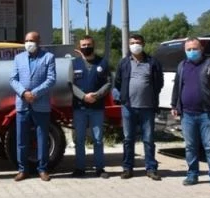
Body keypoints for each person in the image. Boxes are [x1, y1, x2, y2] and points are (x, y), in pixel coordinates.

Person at [171, 37, 210, 188]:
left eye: (194, 49)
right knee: (190, 146)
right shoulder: (182, 65)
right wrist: (174, 105)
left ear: (201, 49)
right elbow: (177, 86)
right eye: (188, 49)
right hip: (187, 114)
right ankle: (192, 174)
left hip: (207, 114)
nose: (192, 52)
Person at [114, 34, 164, 180]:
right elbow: (117, 82)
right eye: (132, 43)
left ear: (143, 44)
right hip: (128, 107)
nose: (135, 45)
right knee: (128, 139)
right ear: (129, 45)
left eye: (138, 42)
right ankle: (127, 168)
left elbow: (158, 83)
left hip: (147, 107)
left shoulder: (153, 62)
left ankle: (151, 168)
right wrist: (122, 98)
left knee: (148, 139)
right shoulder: (124, 63)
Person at [9, 31, 56, 182]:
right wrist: (23, 93)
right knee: (21, 138)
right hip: (22, 104)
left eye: (32, 40)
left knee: (42, 138)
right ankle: (23, 170)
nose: (29, 43)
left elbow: (51, 79)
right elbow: (13, 79)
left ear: (38, 41)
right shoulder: (18, 58)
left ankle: (42, 169)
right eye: (27, 40)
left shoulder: (48, 57)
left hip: (40, 104)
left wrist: (34, 93)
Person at [70, 35, 112, 178]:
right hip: (79, 108)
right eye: (83, 45)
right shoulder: (74, 63)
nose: (86, 47)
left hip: (97, 108)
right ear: (79, 47)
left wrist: (97, 95)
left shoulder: (103, 62)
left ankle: (100, 168)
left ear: (93, 45)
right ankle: (80, 168)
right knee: (79, 139)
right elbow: (71, 84)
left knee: (98, 139)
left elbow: (108, 83)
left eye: (88, 45)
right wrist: (83, 96)